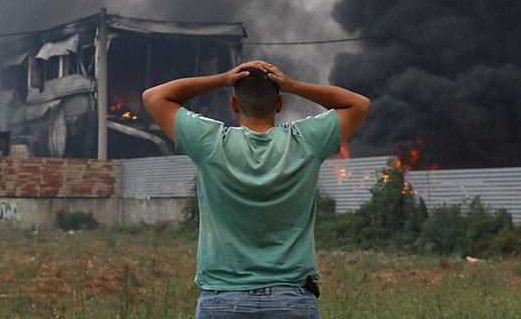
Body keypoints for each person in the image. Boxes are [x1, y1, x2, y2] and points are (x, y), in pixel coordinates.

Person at [142, 60, 371, 318]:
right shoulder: (306, 141)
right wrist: (292, 85)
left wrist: (223, 79)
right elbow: (359, 104)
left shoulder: (210, 142)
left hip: (223, 299)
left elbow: (154, 97)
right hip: (292, 299)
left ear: (234, 104)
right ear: (280, 104)